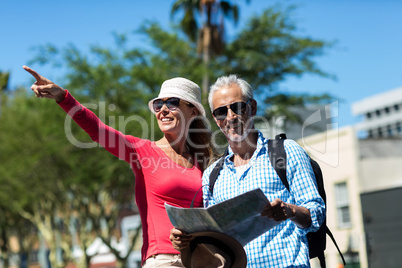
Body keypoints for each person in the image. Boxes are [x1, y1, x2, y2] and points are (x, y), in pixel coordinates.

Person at [23, 65, 217, 268]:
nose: (163, 109)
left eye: (173, 102)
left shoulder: (201, 162)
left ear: (193, 111)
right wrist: (63, 97)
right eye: (159, 104)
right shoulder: (143, 152)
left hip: (200, 261)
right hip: (164, 260)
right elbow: (98, 131)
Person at [170, 74, 325, 268]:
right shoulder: (212, 176)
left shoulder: (286, 152)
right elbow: (214, 241)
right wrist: (185, 240)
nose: (230, 116)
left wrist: (289, 210)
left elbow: (316, 213)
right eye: (221, 112)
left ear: (252, 108)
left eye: (237, 107)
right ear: (216, 120)